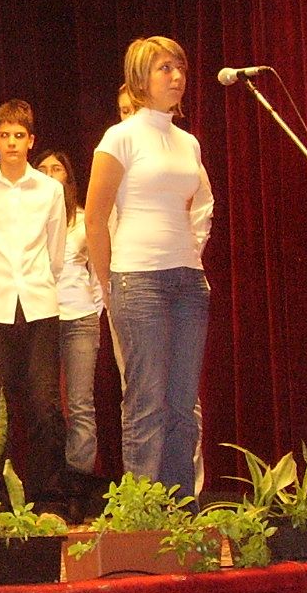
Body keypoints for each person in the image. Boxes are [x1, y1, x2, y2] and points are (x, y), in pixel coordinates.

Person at [86, 37, 212, 498]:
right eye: (164, 68)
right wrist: (110, 285)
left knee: (182, 406)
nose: (177, 77)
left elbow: (193, 207)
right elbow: (95, 218)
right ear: (140, 78)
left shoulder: (188, 142)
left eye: (180, 67)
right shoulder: (119, 137)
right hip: (138, 280)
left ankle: (180, 510)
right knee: (146, 403)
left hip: (189, 280)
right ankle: (144, 515)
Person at [0, 99, 67, 507]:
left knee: (44, 404)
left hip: (39, 303)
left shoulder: (50, 190)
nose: (11, 143)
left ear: (31, 140)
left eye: (19, 135)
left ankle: (45, 494)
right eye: (4, 135)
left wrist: (38, 282)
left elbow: (55, 251)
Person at [34, 148, 107, 514]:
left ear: (68, 176)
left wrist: (93, 311)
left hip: (79, 318)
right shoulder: (30, 220)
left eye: (57, 168)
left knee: (79, 403)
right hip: (41, 318)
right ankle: (51, 485)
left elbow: (98, 272)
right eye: (43, 168)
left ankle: (79, 482)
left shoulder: (83, 219)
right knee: (45, 405)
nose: (50, 174)